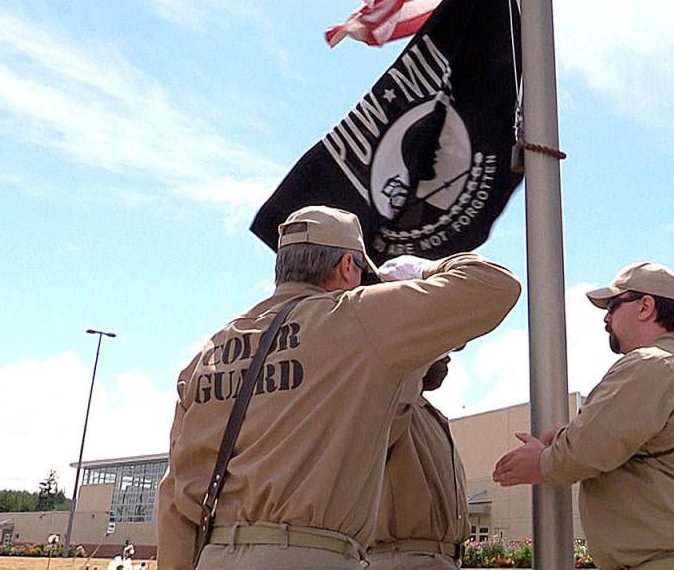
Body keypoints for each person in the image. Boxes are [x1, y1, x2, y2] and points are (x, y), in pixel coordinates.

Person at [156, 205, 520, 570]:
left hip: (214, 557)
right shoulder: (354, 318)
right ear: (348, 267)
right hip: (309, 557)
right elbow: (495, 285)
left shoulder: (209, 353)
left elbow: (176, 498)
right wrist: (419, 270)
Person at [492, 262, 674, 570]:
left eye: (613, 305)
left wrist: (541, 461)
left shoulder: (651, 365)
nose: (606, 318)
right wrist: (569, 434)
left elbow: (584, 452)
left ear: (645, 306)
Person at [368, 354, 468, 569]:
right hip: (404, 560)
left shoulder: (430, 416)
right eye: (441, 352)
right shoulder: (389, 405)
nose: (448, 359)